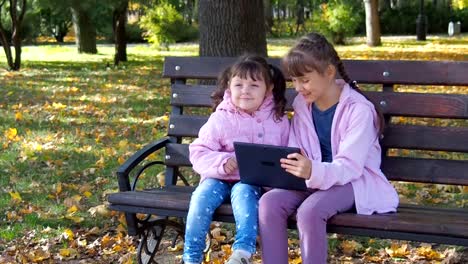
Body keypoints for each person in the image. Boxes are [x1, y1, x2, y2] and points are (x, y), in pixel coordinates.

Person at [258, 33, 399, 263]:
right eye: (294, 80)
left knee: (310, 211)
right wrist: (284, 168)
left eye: (304, 79)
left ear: (329, 72)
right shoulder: (303, 105)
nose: (298, 87)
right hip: (312, 179)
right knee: (269, 203)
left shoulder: (359, 111)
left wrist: (312, 170)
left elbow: (349, 167)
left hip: (354, 182)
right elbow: (296, 148)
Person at [183, 55, 290, 264]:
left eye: (253, 85)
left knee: (243, 194)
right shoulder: (221, 118)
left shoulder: (278, 120)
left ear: (268, 89)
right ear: (229, 87)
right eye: (239, 84)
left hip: (251, 181)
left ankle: (242, 252)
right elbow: (198, 151)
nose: (245, 90)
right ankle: (191, 256)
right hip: (217, 177)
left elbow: (285, 154)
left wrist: (272, 176)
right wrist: (222, 162)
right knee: (200, 198)